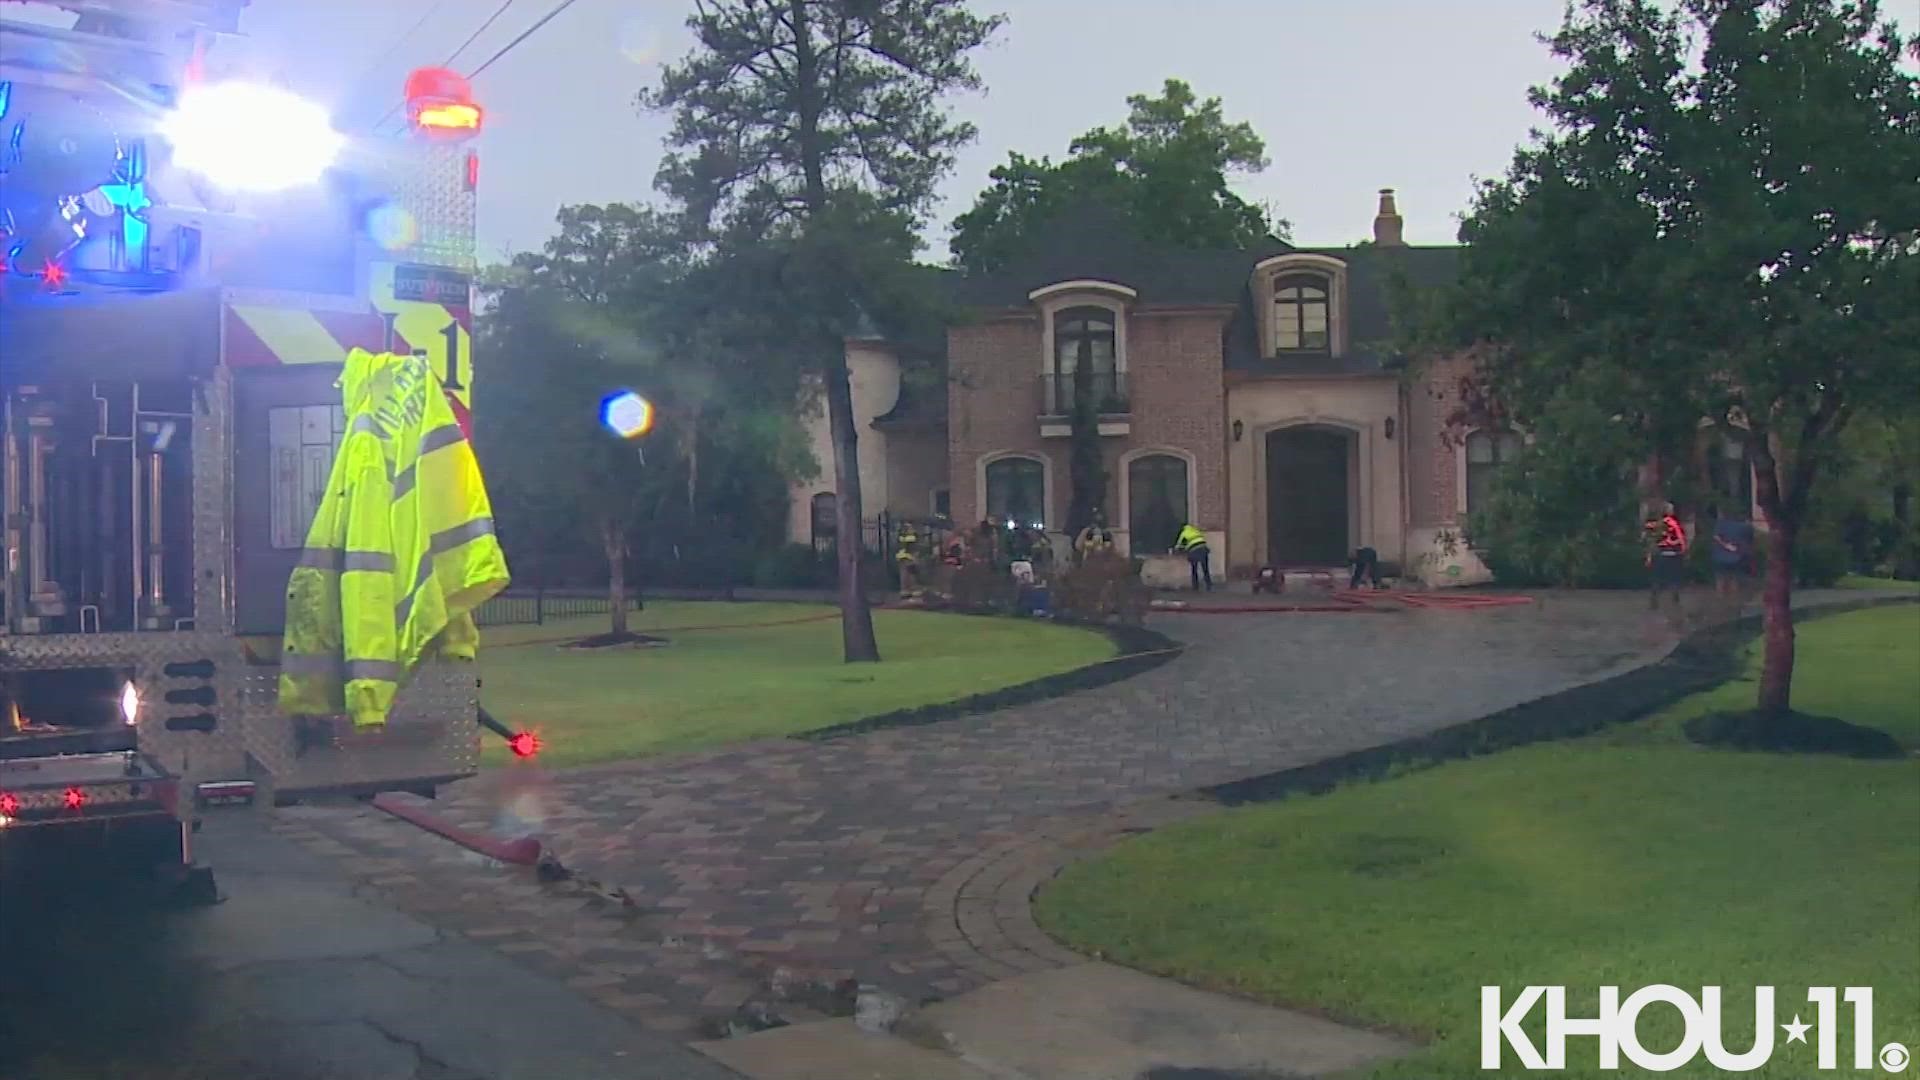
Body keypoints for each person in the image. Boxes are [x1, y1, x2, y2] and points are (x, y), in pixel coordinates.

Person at [1709, 503, 1756, 601]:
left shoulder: (1720, 524)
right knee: (1734, 578)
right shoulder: (1745, 526)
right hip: (1736, 557)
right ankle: (1733, 601)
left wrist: (1725, 545)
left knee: (1720, 579)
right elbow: (1750, 539)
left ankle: (1721, 600)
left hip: (1719, 557)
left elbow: (1716, 537)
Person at [1646, 500, 1688, 609]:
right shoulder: (1671, 524)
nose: (1672, 511)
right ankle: (1667, 600)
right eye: (1670, 509)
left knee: (1663, 579)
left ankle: (1665, 600)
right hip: (1666, 554)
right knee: (1668, 578)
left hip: (1667, 555)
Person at [1174, 522, 1213, 591]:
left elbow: (1179, 544)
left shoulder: (1184, 533)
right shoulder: (1195, 530)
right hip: (1203, 549)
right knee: (1205, 568)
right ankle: (1208, 584)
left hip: (1194, 551)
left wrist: (1177, 549)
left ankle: (1195, 586)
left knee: (1194, 569)